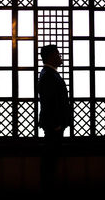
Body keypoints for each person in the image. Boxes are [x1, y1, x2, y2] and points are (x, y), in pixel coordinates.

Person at [38, 44, 72, 193]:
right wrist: (56, 124)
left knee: (51, 160)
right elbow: (48, 102)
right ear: (51, 56)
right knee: (50, 161)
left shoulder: (48, 74)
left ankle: (49, 189)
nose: (60, 56)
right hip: (54, 127)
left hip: (55, 125)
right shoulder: (48, 75)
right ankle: (48, 191)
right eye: (58, 54)